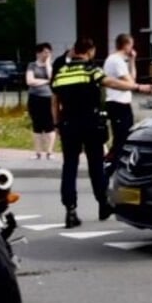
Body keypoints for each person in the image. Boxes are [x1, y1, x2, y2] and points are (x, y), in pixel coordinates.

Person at [51, 39, 111, 228]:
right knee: (96, 164)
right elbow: (108, 84)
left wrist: (57, 123)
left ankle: (70, 210)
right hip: (91, 122)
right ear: (90, 51)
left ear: (74, 51)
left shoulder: (61, 72)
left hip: (68, 123)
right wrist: (137, 87)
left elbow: (54, 101)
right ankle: (103, 203)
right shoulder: (91, 70)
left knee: (69, 166)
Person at [100, 33, 152, 168]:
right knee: (121, 136)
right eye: (131, 45)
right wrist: (139, 87)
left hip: (123, 102)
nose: (132, 49)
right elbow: (130, 82)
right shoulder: (115, 60)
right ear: (127, 45)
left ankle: (115, 160)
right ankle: (111, 162)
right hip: (117, 102)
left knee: (125, 135)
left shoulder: (120, 61)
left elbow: (132, 80)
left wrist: (132, 61)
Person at [23, 43, 56, 160]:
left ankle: (50, 152)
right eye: (45, 52)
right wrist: (46, 81)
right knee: (37, 124)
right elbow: (30, 81)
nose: (47, 54)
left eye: (49, 52)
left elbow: (52, 78)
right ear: (39, 53)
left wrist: (47, 65)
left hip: (47, 97)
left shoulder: (51, 65)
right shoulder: (32, 65)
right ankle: (37, 152)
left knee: (49, 125)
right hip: (34, 97)